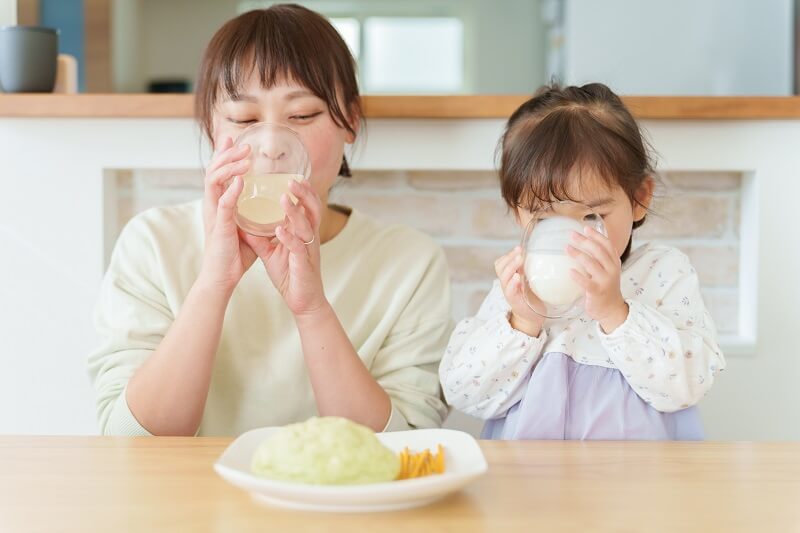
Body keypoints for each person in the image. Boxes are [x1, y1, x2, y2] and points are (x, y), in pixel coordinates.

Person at [88, 5, 451, 436]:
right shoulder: (152, 244)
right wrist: (213, 284)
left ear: (349, 121)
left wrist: (311, 307)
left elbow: (402, 448)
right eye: (244, 119)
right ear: (211, 127)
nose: (272, 146)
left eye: (302, 115)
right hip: (189, 501)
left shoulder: (408, 261)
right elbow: (128, 441)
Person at [439, 83, 725, 440]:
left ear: (639, 198)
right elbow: (465, 393)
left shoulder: (662, 273)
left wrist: (614, 312)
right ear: (516, 211)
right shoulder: (520, 287)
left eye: (592, 216)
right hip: (529, 480)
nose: (570, 238)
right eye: (544, 219)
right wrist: (522, 322)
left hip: (636, 481)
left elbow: (689, 384)